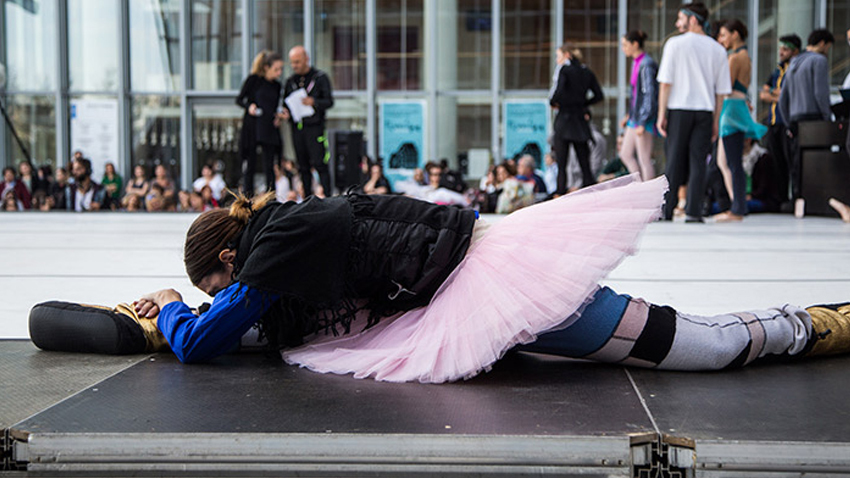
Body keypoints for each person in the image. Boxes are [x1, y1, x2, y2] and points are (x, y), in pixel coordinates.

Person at [24, 173, 837, 386]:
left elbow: (205, 341)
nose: (221, 295)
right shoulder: (287, 230)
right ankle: (804, 323)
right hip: (474, 267)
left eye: (214, 284)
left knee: (681, 345)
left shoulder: (272, 249)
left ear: (227, 264)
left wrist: (167, 316)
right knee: (664, 340)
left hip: (487, 279)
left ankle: (811, 325)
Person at [656, 2, 731, 223]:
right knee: (698, 162)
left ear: (693, 20)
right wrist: (716, 121)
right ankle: (694, 212)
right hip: (705, 112)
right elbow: (720, 93)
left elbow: (665, 83)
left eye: (681, 19)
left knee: (673, 161)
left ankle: (667, 211)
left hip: (679, 109)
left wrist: (662, 114)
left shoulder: (674, 44)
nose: (677, 23)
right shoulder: (717, 49)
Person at [713, 19, 768, 222]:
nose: (721, 39)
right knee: (724, 161)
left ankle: (737, 208)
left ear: (735, 34)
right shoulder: (746, 57)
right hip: (737, 107)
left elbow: (723, 87)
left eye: (724, 35)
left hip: (731, 110)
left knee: (732, 162)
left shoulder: (735, 58)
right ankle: (736, 204)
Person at [779, 29, 834, 205]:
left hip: (795, 119)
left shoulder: (794, 63)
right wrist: (827, 117)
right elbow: (820, 92)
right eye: (828, 47)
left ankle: (798, 200)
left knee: (798, 163)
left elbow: (782, 99)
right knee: (817, 163)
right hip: (814, 118)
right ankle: (816, 201)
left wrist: (789, 122)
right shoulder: (819, 61)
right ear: (823, 44)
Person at [549, 42, 604, 195]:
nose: (556, 60)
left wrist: (555, 103)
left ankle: (560, 192)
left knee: (562, 164)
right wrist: (583, 104)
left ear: (567, 55)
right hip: (580, 121)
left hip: (564, 120)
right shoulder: (586, 72)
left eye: (558, 56)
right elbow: (599, 95)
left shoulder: (564, 70)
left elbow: (557, 94)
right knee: (584, 163)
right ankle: (591, 193)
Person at [281, 46, 334, 198]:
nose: (294, 66)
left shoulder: (320, 77)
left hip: (315, 127)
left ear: (306, 59)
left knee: (319, 163)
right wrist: (286, 114)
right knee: (302, 165)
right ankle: (307, 198)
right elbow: (286, 104)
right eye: (292, 63)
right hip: (297, 128)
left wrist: (314, 102)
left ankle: (328, 197)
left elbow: (329, 101)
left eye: (297, 62)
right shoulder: (290, 82)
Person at [759, 34, 800, 209]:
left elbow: (789, 95)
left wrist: (776, 95)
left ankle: (793, 199)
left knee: (790, 161)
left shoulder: (797, 68)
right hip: (774, 122)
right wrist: (778, 95)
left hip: (788, 123)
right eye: (781, 48)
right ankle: (779, 198)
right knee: (775, 162)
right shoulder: (777, 70)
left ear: (795, 51)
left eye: (786, 49)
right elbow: (763, 94)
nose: (781, 52)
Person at [236, 50, 285, 195]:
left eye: (281, 69)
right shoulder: (253, 80)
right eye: (276, 69)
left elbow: (275, 106)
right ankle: (248, 196)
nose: (279, 73)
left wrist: (278, 116)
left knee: (269, 164)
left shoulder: (277, 86)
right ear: (266, 67)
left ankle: (271, 197)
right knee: (250, 164)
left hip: (268, 127)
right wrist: (249, 106)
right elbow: (240, 99)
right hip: (253, 126)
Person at [619, 30, 658, 182]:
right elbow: (636, 94)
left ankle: (649, 193)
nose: (623, 48)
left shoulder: (646, 64)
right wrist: (629, 114)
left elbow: (649, 94)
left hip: (643, 119)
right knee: (625, 154)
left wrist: (643, 120)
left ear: (635, 44)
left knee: (644, 158)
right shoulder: (637, 63)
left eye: (625, 45)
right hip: (635, 118)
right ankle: (640, 187)